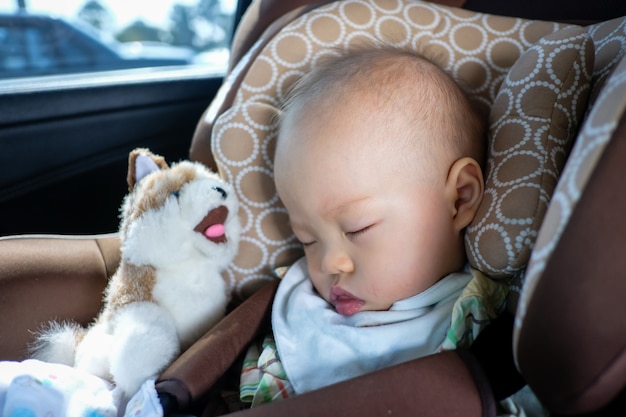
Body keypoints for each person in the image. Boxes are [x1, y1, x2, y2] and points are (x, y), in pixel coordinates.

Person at [239, 44, 508, 407]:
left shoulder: (485, 323)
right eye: (308, 239)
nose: (330, 262)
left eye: (357, 229)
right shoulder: (297, 317)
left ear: (460, 198)